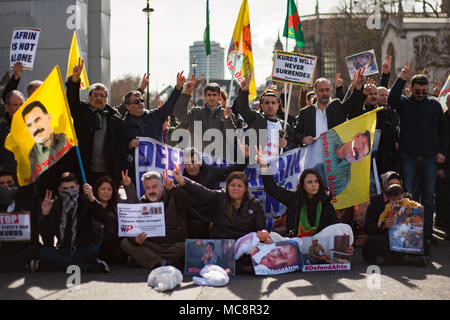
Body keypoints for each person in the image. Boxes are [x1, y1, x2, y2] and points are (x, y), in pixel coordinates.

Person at [387, 60, 448, 244]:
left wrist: (442, 152)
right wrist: (402, 78)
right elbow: (392, 99)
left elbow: (443, 131)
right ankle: (410, 235)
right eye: (417, 91)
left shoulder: (434, 105)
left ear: (427, 89)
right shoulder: (404, 103)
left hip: (430, 158)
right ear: (412, 89)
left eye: (424, 91)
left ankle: (427, 234)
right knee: (409, 197)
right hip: (409, 157)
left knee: (429, 197)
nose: (421, 95)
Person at [256, 147, 354, 258]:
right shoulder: (294, 199)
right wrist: (264, 166)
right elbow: (272, 188)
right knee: (273, 236)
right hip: (296, 243)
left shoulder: (326, 203)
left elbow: (333, 229)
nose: (314, 184)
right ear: (303, 186)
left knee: (344, 228)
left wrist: (345, 246)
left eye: (316, 181)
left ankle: (299, 252)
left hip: (318, 244)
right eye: (310, 182)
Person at [120, 170, 195, 270]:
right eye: (148, 188)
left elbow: (189, 203)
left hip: (175, 246)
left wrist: (173, 189)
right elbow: (132, 229)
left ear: (162, 186)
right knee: (125, 243)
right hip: (154, 247)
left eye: (154, 187)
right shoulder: (141, 204)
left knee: (195, 246)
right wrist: (136, 240)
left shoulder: (173, 197)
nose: (151, 191)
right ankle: (160, 262)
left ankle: (147, 260)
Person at [122, 72, 189, 182]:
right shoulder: (123, 124)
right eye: (136, 101)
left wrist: (178, 88)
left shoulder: (155, 116)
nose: (140, 103)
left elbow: (169, 105)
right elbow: (118, 147)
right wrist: (128, 145)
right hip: (136, 170)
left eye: (142, 100)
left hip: (157, 166)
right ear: (128, 106)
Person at [66, 58, 124, 184]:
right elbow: (71, 100)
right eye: (95, 95)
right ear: (89, 97)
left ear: (107, 99)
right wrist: (75, 80)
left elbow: (120, 146)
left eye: (102, 95)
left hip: (108, 172)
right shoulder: (82, 111)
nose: (98, 98)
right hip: (84, 169)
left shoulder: (114, 118)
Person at [39, 172, 110, 272]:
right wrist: (45, 214)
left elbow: (104, 218)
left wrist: (92, 198)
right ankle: (86, 267)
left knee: (94, 250)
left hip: (82, 248)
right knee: (44, 251)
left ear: (77, 187)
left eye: (72, 188)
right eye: (65, 189)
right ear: (59, 190)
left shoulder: (85, 201)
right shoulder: (55, 205)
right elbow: (47, 238)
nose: (69, 192)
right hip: (63, 248)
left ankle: (59, 264)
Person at [363, 171, 431, 266]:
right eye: (390, 184)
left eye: (397, 184)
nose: (394, 188)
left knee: (425, 243)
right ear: (384, 186)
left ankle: (390, 260)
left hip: (404, 238)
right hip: (386, 238)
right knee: (374, 242)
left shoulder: (407, 200)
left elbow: (419, 222)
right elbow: (368, 227)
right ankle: (408, 260)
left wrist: (416, 221)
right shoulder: (376, 201)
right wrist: (384, 224)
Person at [182, 146, 249, 238]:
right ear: (184, 165)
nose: (191, 166)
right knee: (195, 226)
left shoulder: (211, 171)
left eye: (194, 162)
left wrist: (245, 158)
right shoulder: (181, 181)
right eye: (187, 163)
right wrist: (207, 223)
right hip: (197, 218)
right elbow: (187, 208)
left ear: (200, 162)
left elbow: (232, 170)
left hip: (216, 214)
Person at [236, 75, 297, 162]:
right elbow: (243, 109)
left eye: (273, 103)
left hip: (278, 169)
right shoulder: (256, 119)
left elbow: (295, 145)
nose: (270, 105)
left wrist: (287, 144)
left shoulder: (285, 125)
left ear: (278, 106)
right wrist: (244, 91)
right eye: (267, 103)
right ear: (262, 106)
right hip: (257, 167)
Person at [172, 81, 236, 161]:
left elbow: (232, 138)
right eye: (209, 95)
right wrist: (186, 94)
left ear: (219, 96)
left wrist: (227, 118)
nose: (211, 98)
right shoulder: (195, 113)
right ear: (205, 96)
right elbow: (178, 112)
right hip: (199, 163)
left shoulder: (228, 115)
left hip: (220, 164)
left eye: (214, 95)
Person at [87, 170, 138, 264]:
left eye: (109, 189)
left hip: (115, 248)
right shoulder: (90, 205)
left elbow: (133, 206)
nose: (106, 192)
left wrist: (128, 186)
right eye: (103, 189)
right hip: (96, 247)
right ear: (96, 190)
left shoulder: (117, 205)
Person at [0, 171, 40, 272]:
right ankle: (21, 265)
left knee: (35, 250)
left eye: (9, 182)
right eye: (2, 183)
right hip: (3, 248)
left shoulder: (24, 202)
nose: (6, 186)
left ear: (14, 183)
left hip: (22, 247)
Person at [314, 129, 371, 197]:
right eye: (362, 145)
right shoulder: (330, 135)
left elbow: (320, 199)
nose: (360, 152)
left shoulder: (342, 180)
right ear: (357, 136)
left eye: (363, 153)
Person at [21, 101, 69, 175]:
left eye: (37, 120)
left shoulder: (67, 140)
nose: (35, 128)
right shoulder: (29, 158)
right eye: (29, 125)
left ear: (49, 118)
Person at [0, 90, 25, 174]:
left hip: (33, 181)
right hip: (9, 181)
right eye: (15, 105)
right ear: (7, 108)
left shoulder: (34, 127)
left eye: (21, 104)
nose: (19, 108)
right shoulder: (2, 130)